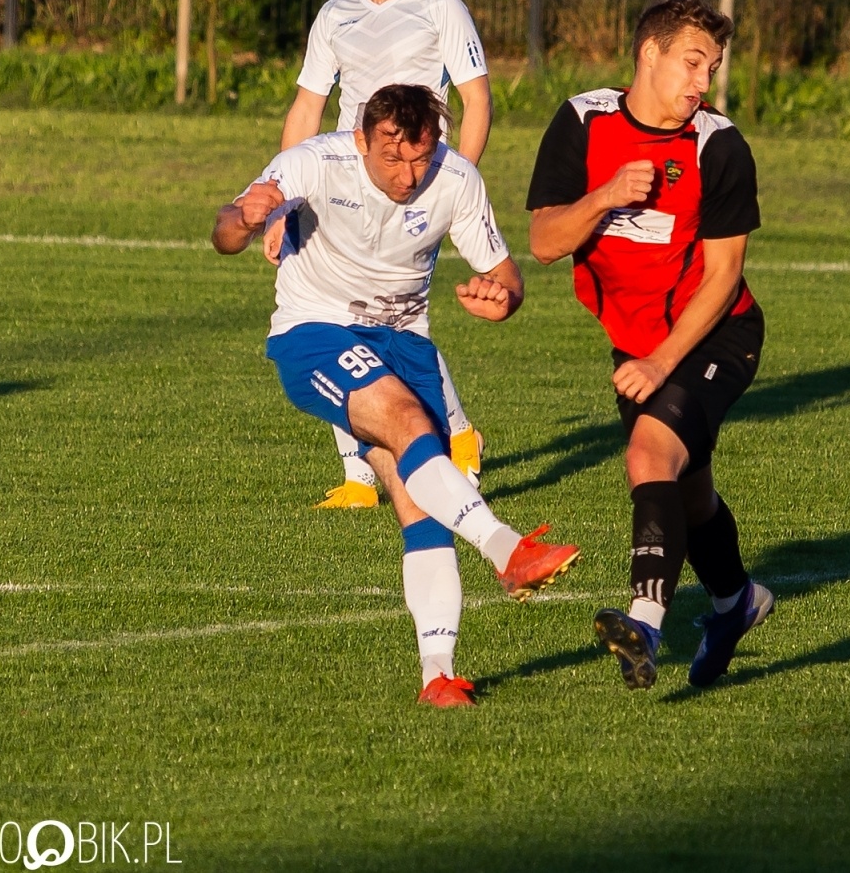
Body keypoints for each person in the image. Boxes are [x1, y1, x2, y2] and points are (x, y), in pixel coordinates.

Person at [214, 84, 579, 707]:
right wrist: (245, 217)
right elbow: (225, 232)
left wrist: (503, 299)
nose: (408, 174)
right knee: (410, 422)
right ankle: (508, 548)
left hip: (405, 343)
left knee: (422, 506)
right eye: (392, 157)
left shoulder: (455, 178)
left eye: (420, 157)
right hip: (315, 331)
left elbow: (505, 272)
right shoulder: (315, 162)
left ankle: (438, 676)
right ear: (362, 139)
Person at [525, 0, 773, 690]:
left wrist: (664, 360)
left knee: (648, 451)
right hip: (636, 346)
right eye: (693, 62)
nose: (703, 82)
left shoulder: (717, 145)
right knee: (688, 498)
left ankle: (645, 620)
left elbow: (724, 277)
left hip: (718, 332)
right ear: (650, 53)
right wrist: (603, 195)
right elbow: (545, 242)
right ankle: (736, 603)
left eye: (713, 67)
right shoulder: (583, 120)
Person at [277, 0, 494, 509]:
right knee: (327, 313)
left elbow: (477, 100)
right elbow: (308, 107)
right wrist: (283, 197)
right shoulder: (334, 15)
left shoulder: (439, 7)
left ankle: (454, 433)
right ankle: (358, 477)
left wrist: (454, 185)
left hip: (413, 181)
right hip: (345, 181)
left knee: (396, 318)